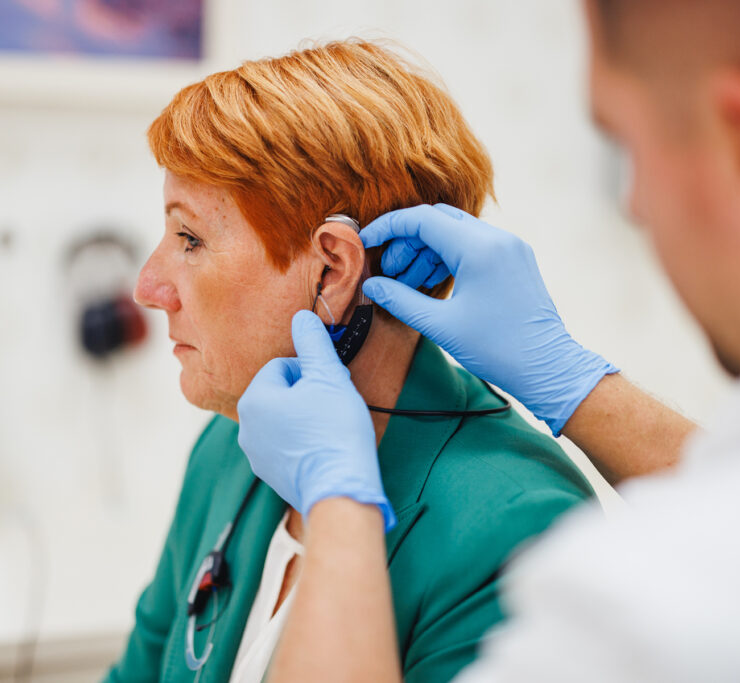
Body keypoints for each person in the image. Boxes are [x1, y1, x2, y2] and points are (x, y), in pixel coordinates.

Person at [236, 1, 740, 681]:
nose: (634, 205)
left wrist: (339, 506)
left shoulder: (630, 608)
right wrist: (576, 381)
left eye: (625, 145)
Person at [104, 39, 601, 683]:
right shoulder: (230, 448)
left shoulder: (519, 530)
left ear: (332, 268)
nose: (148, 287)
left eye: (190, 238)